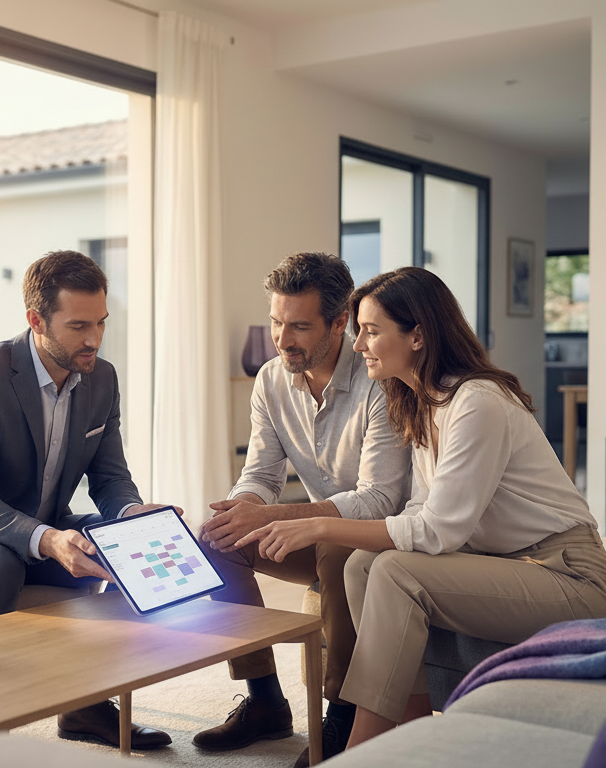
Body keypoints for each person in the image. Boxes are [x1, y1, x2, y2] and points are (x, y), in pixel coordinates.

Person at [237, 266, 606, 751]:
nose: (358, 346)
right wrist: (317, 527)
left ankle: (361, 751)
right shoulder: (423, 401)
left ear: (417, 335)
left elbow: (438, 530)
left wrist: (316, 525)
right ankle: (417, 740)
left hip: (567, 572)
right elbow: (420, 509)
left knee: (395, 572)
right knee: (362, 568)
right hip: (501, 561)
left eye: (371, 332)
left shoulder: (476, 402)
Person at [0, 250, 175, 750]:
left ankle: (85, 704)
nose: (93, 339)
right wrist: (47, 540)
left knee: (129, 547)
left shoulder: (102, 378)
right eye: (78, 326)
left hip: (42, 527)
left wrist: (134, 516)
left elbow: (111, 479)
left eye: (101, 323)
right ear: (36, 321)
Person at [192, 253, 412, 766]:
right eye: (276, 322)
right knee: (217, 540)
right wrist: (242, 509)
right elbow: (263, 474)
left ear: (340, 322)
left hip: (382, 536)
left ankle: (341, 715)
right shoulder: (271, 380)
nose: (282, 338)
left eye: (299, 326)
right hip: (314, 529)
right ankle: (265, 700)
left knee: (337, 547)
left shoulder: (382, 381)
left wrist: (270, 519)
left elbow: (380, 498)